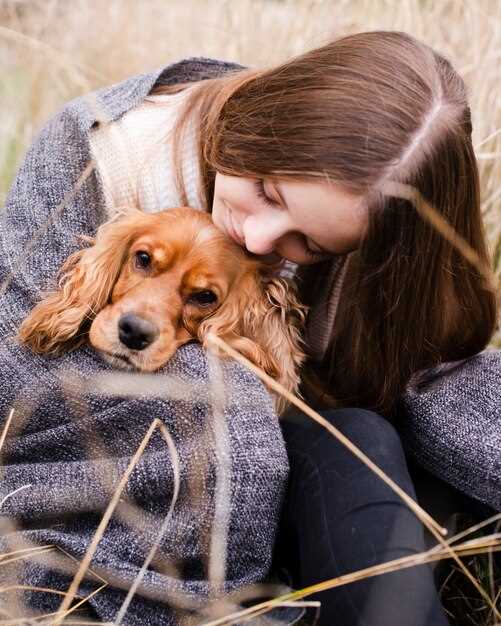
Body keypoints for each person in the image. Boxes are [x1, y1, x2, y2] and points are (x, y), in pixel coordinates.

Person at [0, 29, 498, 625]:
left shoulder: (367, 246)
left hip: (299, 478)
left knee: (362, 440)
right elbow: (17, 356)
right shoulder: (95, 152)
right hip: (115, 488)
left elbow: (441, 379)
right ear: (257, 126)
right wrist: (223, 388)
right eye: (265, 190)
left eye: (308, 244)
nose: (259, 241)